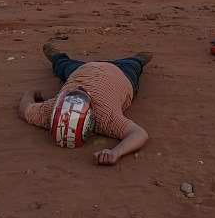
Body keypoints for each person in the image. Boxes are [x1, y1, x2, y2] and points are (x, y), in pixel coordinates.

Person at [18, 43, 153, 166]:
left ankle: (56, 56)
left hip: (82, 70)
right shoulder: (105, 117)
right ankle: (138, 59)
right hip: (122, 71)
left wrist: (31, 93)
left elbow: (25, 110)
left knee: (62, 65)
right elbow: (139, 134)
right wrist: (117, 152)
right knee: (134, 63)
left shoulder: (51, 110)